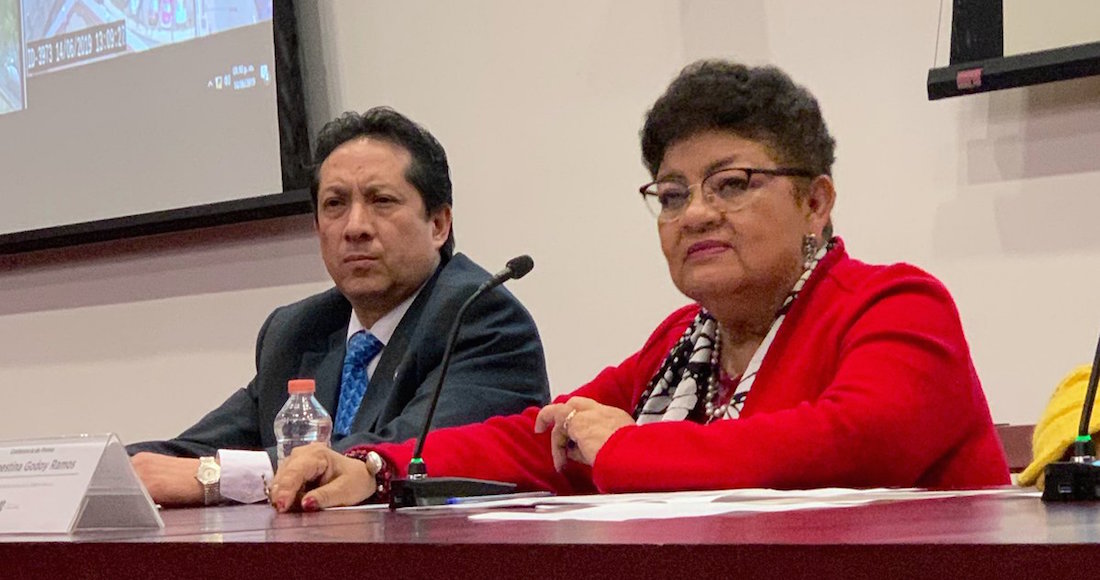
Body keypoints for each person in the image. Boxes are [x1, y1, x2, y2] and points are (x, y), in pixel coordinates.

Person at [269, 61, 1009, 512]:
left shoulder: (897, 305)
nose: (697, 214)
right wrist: (377, 466)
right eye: (673, 194)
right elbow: (540, 439)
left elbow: (843, 449)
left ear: (815, 202)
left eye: (732, 184)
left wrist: (628, 449)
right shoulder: (683, 343)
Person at [128, 107, 550, 506]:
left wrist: (216, 477)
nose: (355, 227)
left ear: (438, 224)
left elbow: (407, 456)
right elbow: (190, 452)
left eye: (381, 201)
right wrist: (110, 470)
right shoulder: (298, 330)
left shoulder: (481, 318)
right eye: (335, 204)